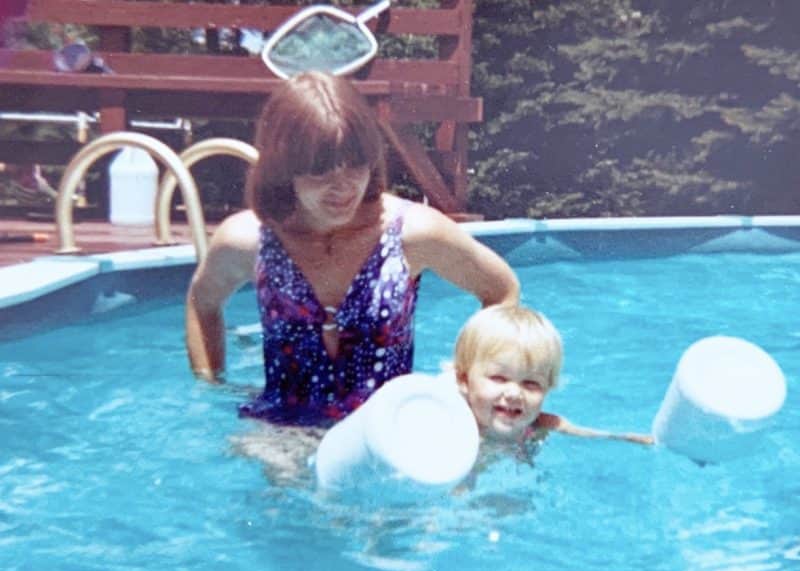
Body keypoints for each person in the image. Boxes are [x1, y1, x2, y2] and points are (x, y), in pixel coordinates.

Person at [186, 71, 519, 428]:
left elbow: (501, 290)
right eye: (320, 171)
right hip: (283, 432)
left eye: (356, 165)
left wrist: (471, 381)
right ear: (283, 169)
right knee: (283, 472)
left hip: (388, 432)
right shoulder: (249, 241)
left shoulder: (413, 234)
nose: (343, 187)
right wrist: (212, 388)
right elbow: (202, 302)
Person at [453, 304, 653, 463]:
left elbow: (586, 435)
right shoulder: (455, 424)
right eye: (499, 378)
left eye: (530, 383)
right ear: (463, 380)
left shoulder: (541, 425)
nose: (514, 393)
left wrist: (624, 438)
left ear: (547, 387)